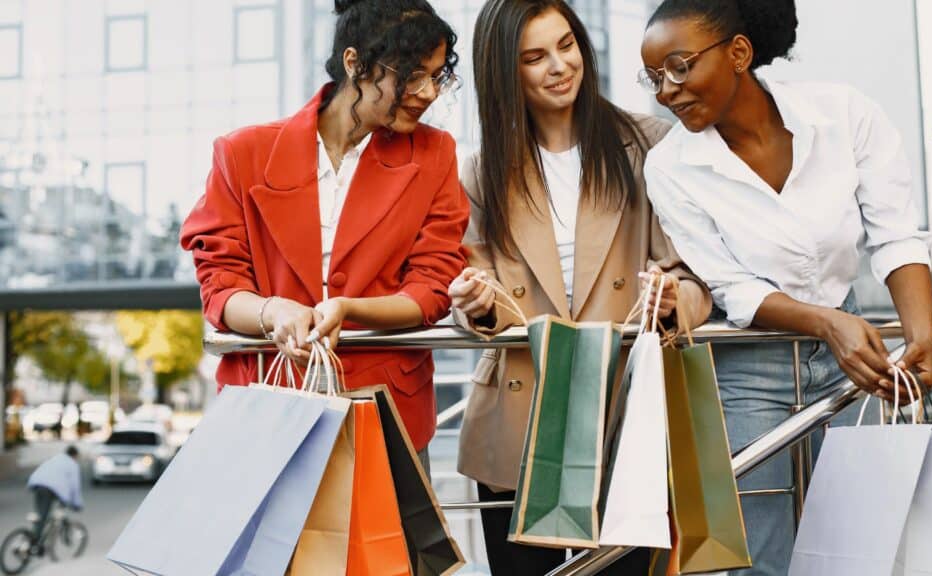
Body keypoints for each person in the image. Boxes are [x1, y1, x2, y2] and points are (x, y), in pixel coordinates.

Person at [639, 1, 932, 574]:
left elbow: (896, 232)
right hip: (748, 367)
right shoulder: (669, 166)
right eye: (654, 78)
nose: (666, 91)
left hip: (857, 359)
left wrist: (919, 337)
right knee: (755, 558)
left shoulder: (843, 114)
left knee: (860, 552)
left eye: (679, 67)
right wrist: (828, 323)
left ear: (739, 53)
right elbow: (731, 286)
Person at [447, 1, 711, 573]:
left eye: (566, 45)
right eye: (535, 57)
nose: (560, 66)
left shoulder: (648, 145)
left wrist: (672, 300)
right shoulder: (480, 171)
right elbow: (477, 289)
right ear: (504, 71)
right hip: (521, 418)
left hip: (626, 412)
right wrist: (475, 303)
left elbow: (694, 273)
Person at [179, 0, 469, 461]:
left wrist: (349, 308)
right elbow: (220, 286)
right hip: (267, 413)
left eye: (437, 76)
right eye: (413, 76)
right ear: (354, 63)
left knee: (390, 537)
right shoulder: (242, 154)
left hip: (389, 416)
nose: (429, 92)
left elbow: (433, 288)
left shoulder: (435, 154)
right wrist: (272, 311)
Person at [26, 445, 82, 550]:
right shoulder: (73, 464)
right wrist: (77, 504)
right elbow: (75, 486)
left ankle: (36, 537)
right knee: (45, 515)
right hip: (51, 489)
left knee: (41, 513)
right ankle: (34, 543)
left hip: (37, 484)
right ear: (75, 455)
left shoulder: (56, 458)